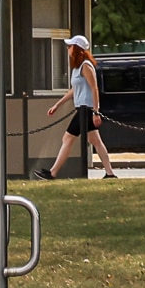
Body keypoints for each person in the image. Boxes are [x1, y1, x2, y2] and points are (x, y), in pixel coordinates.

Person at [47, 34, 99, 179]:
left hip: (86, 109)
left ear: (77, 49)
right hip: (81, 108)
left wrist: (96, 111)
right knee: (96, 142)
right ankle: (110, 173)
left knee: (67, 138)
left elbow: (94, 88)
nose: (68, 49)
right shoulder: (77, 68)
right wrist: (57, 105)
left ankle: (53, 172)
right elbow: (74, 90)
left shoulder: (86, 66)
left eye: (70, 46)